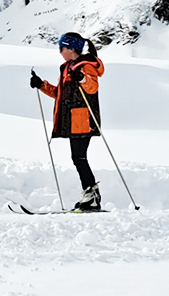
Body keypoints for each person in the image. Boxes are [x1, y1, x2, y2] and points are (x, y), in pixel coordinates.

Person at [30, 32, 107, 212]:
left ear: (71, 48)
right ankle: (90, 196)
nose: (60, 52)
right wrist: (41, 85)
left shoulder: (85, 66)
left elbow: (92, 86)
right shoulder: (66, 67)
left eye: (61, 48)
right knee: (78, 157)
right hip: (73, 120)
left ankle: (92, 196)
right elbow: (61, 93)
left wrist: (81, 78)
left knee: (79, 157)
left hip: (83, 120)